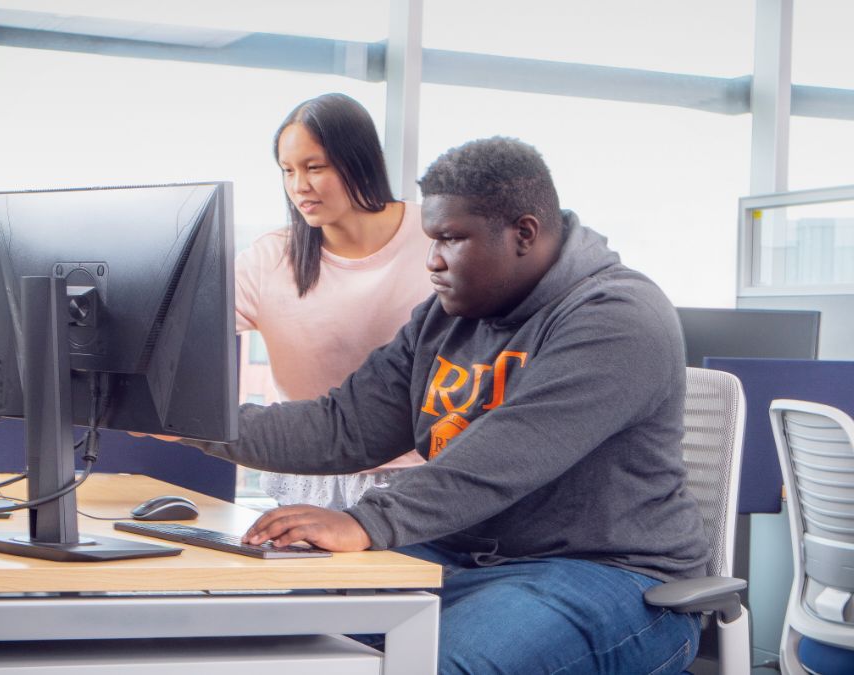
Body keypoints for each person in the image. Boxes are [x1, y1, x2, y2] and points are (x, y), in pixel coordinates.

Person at [185, 136, 709, 674]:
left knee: (433, 665)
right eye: (430, 239)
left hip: (604, 573)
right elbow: (342, 428)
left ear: (523, 233)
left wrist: (365, 522)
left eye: (451, 239)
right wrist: (185, 420)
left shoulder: (616, 317)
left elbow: (506, 455)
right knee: (260, 633)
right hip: (457, 555)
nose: (431, 261)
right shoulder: (445, 315)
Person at [236, 92, 429, 509]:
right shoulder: (269, 259)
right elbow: (180, 332)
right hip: (313, 475)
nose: (299, 186)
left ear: (359, 160)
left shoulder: (433, 237)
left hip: (422, 478)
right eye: (287, 171)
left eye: (314, 167)